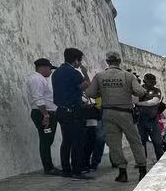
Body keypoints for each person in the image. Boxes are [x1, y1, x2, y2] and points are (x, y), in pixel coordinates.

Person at [85, 50, 149, 182]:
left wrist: (100, 93)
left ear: (107, 62)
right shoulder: (128, 76)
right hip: (126, 113)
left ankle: (122, 172)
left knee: (114, 144)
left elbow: (90, 93)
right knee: (135, 141)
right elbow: (139, 92)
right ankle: (142, 170)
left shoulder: (99, 76)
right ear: (119, 61)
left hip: (108, 113)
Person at [51, 48, 92, 179]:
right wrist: (85, 73)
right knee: (77, 142)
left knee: (66, 141)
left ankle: (66, 170)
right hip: (74, 110)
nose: (80, 63)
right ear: (76, 60)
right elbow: (86, 86)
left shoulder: (56, 72)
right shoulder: (74, 73)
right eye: (80, 61)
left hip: (61, 110)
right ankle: (77, 170)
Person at [24, 58, 60, 175]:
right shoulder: (36, 79)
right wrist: (45, 114)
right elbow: (38, 98)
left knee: (48, 139)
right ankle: (48, 167)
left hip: (46, 113)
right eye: (50, 69)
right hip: (43, 114)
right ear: (43, 68)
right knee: (46, 139)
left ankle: (49, 166)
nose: (50, 72)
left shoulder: (40, 79)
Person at [137, 73, 164, 161]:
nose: (152, 84)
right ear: (145, 81)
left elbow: (155, 101)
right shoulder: (138, 90)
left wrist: (139, 104)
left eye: (153, 82)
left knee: (158, 142)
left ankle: (159, 160)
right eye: (150, 82)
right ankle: (142, 162)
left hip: (152, 120)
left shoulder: (156, 90)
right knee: (141, 143)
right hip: (140, 120)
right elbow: (133, 99)